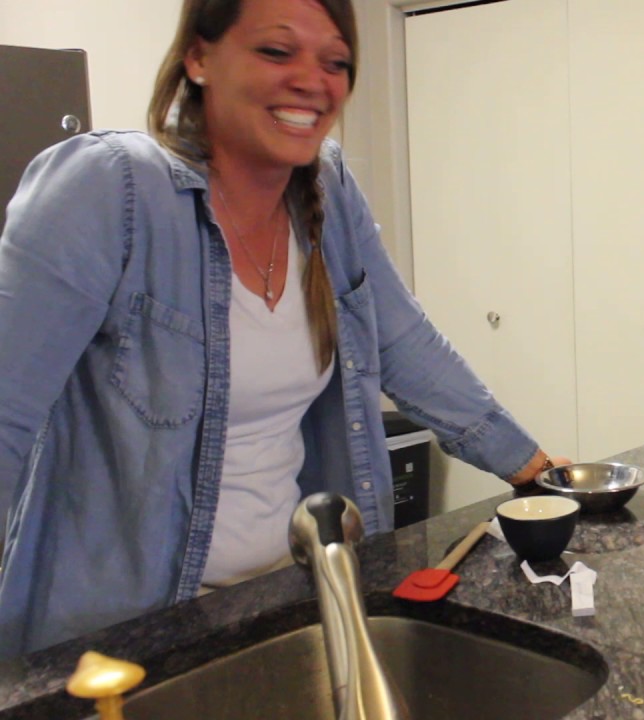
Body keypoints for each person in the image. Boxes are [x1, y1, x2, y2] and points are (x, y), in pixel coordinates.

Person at [0, 0, 563, 659]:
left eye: (335, 62)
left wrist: (535, 470)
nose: (311, 81)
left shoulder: (328, 188)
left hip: (285, 602)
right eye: (275, 51)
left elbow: (403, 342)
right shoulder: (110, 189)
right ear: (199, 56)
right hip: (124, 643)